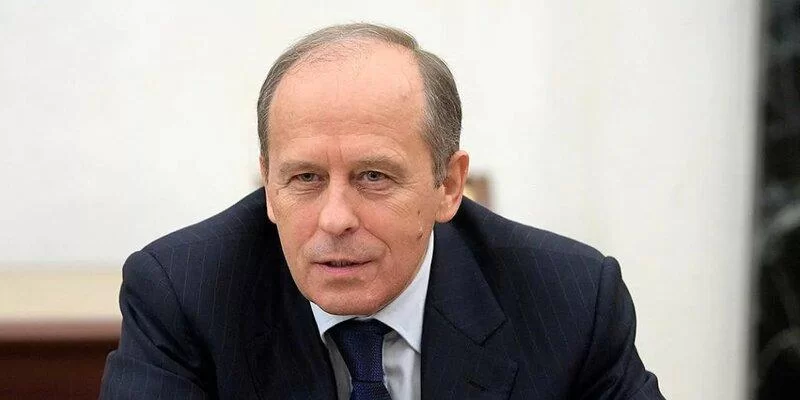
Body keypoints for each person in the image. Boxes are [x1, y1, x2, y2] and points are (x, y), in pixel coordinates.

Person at [100, 23, 664, 399]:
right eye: (305, 178)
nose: (335, 219)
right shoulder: (185, 293)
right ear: (269, 186)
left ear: (448, 185)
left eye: (373, 177)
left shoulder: (571, 299)